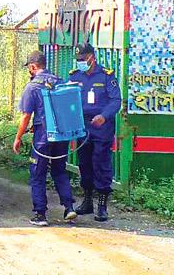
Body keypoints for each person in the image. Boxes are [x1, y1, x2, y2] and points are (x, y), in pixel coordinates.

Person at [13, 50, 76, 227]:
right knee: (59, 171)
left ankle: (40, 214)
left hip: (42, 138)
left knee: (37, 174)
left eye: (29, 68)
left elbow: (26, 116)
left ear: (33, 66)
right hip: (61, 135)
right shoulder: (59, 81)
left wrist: (18, 138)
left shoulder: (32, 87)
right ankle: (69, 207)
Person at [68, 43, 121, 221]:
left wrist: (103, 116)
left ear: (92, 57)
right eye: (78, 60)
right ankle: (88, 201)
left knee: (101, 163)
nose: (80, 62)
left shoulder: (106, 76)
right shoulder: (75, 76)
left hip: (101, 127)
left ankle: (102, 205)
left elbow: (116, 101)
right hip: (83, 126)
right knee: (85, 164)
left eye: (83, 59)